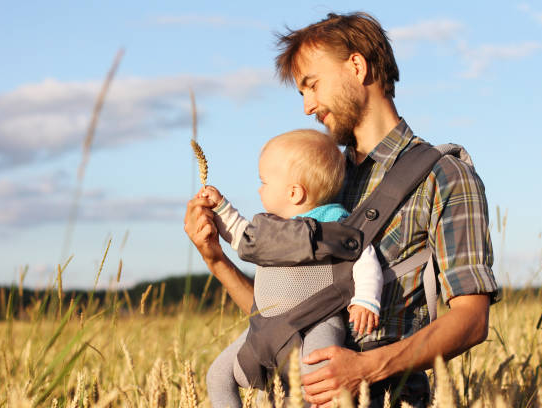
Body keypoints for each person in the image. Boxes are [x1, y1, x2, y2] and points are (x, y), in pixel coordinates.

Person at [184, 11, 498, 408]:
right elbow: (283, 317)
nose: (307, 107)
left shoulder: (444, 176)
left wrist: (367, 368)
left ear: (357, 66)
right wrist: (217, 261)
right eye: (301, 94)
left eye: (311, 85)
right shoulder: (316, 181)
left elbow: (471, 320)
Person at [200, 129, 384, 408]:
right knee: (217, 376)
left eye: (264, 182)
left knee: (317, 375)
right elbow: (240, 235)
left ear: (294, 192)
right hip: (265, 328)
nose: (259, 189)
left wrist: (366, 300)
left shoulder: (333, 225)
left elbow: (364, 256)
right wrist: (221, 207)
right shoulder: (270, 231)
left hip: (317, 323)